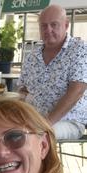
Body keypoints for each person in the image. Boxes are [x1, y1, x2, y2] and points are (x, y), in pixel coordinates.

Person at [19, 4, 87, 140]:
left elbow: (76, 91)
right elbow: (23, 90)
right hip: (35, 120)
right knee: (4, 132)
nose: (48, 30)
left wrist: (46, 123)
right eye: (43, 26)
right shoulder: (33, 55)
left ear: (66, 25)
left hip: (68, 121)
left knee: (36, 137)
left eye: (54, 25)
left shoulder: (79, 50)